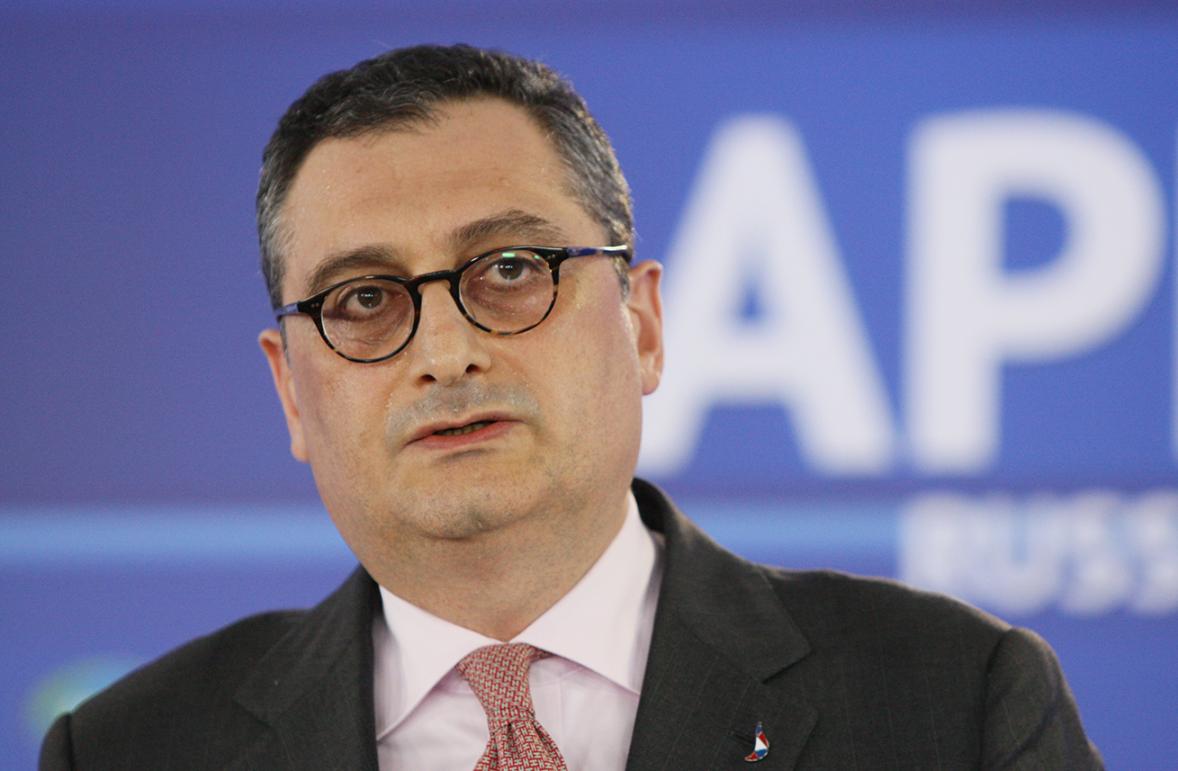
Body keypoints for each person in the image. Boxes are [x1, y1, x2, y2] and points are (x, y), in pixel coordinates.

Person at [39, 43, 1102, 770]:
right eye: (363, 300)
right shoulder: (132, 749)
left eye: (510, 268)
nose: (445, 352)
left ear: (642, 326)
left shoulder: (952, 700)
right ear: (290, 390)